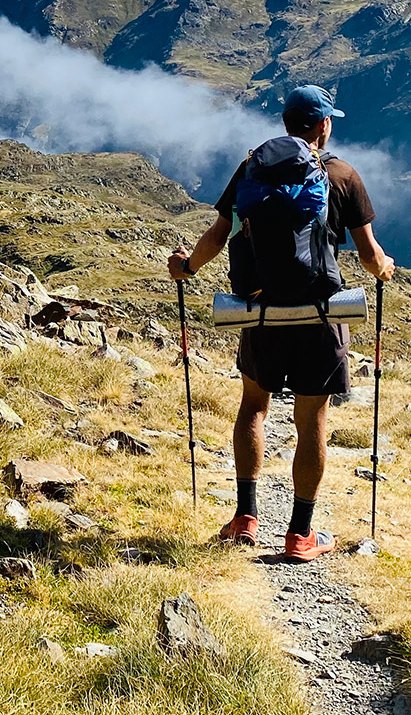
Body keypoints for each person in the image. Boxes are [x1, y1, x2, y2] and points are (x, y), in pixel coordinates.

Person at [168, 85, 395, 563]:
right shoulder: (342, 176)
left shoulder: (252, 170)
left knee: (253, 407)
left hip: (262, 312)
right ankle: (300, 534)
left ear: (287, 122)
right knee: (311, 417)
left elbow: (218, 234)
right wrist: (385, 269)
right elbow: (371, 257)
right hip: (320, 316)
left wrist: (187, 267)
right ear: (323, 125)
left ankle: (246, 518)